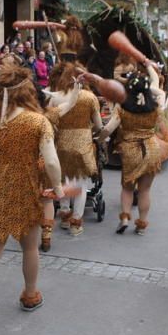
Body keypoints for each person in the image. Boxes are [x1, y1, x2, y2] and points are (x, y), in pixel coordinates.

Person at [0, 60, 63, 330]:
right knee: (29, 247)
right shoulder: (38, 121)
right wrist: (58, 188)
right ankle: (30, 295)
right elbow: (52, 163)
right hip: (26, 189)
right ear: (27, 91)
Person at [101, 66, 168, 235]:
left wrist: (99, 139)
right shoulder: (155, 107)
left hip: (130, 150)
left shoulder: (122, 107)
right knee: (145, 190)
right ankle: (142, 224)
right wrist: (148, 70)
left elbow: (109, 129)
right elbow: (160, 94)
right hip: (151, 149)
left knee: (127, 187)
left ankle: (124, 218)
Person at [46, 63, 102, 237]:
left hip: (62, 143)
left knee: (63, 179)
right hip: (83, 144)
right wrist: (90, 131)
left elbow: (50, 122)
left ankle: (64, 214)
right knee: (80, 183)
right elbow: (99, 125)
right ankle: (76, 222)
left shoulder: (56, 97)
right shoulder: (90, 97)